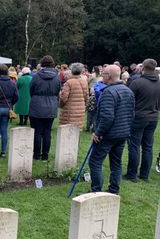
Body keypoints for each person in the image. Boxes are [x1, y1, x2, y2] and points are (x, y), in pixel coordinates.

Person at [89, 65, 134, 194]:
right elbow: (132, 114)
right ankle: (114, 190)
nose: (102, 76)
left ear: (109, 76)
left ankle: (96, 191)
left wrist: (98, 132)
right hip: (122, 134)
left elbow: (107, 117)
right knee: (116, 162)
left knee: (95, 161)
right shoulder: (128, 90)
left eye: (103, 74)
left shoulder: (108, 92)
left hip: (108, 135)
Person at [125, 58, 160, 182]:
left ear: (143, 68)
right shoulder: (159, 82)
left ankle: (132, 174)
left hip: (138, 117)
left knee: (134, 146)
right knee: (148, 147)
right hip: (153, 117)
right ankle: (144, 175)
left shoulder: (137, 82)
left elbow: (128, 101)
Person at [29, 55, 61, 160]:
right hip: (51, 106)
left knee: (37, 131)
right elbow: (57, 91)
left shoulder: (36, 76)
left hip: (37, 106)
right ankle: (45, 155)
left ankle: (36, 154)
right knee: (47, 131)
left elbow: (31, 90)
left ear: (42, 64)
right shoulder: (57, 77)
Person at [59, 63, 89, 128]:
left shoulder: (69, 82)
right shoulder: (85, 82)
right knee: (76, 131)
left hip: (69, 111)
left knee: (66, 131)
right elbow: (86, 96)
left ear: (71, 71)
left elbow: (63, 98)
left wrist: (60, 105)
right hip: (80, 109)